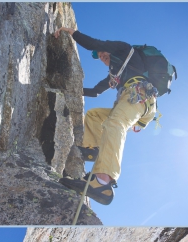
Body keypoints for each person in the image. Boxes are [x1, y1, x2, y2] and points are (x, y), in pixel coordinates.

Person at [54, 27, 159, 205]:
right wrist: (69, 90)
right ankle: (93, 149)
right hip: (131, 101)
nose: (101, 55)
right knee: (94, 115)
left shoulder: (124, 49)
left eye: (102, 53)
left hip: (139, 96)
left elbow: (94, 44)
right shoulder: (114, 74)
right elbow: (96, 92)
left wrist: (71, 32)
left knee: (115, 124)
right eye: (98, 57)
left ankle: (102, 182)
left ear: (109, 49)